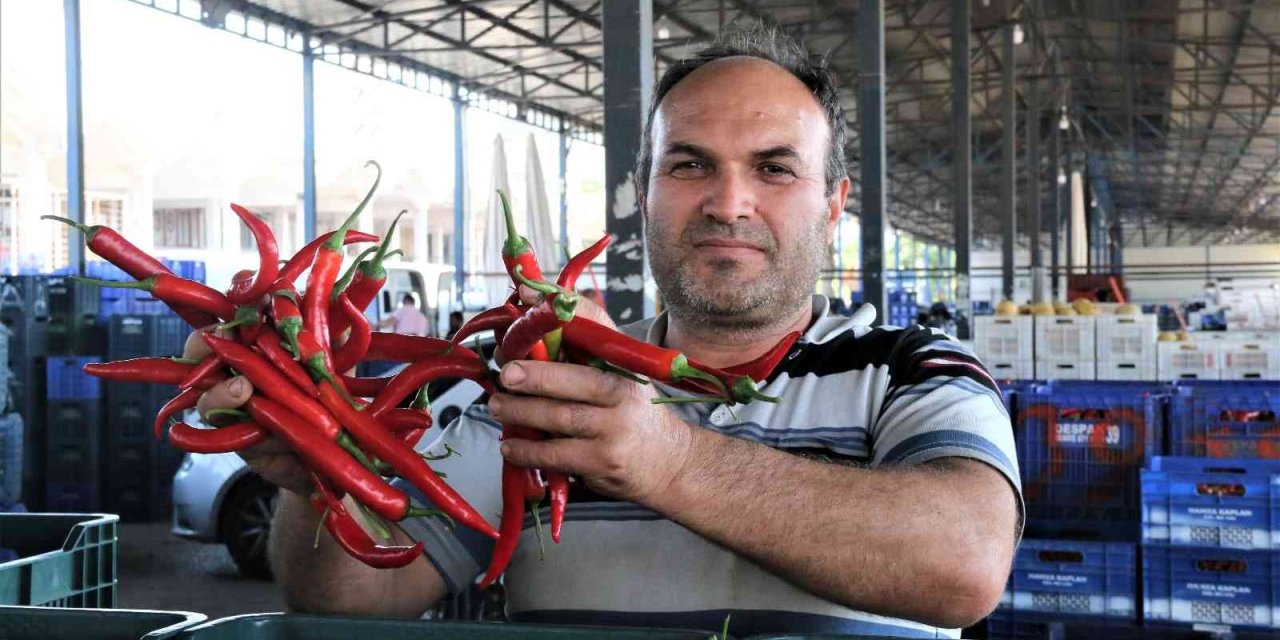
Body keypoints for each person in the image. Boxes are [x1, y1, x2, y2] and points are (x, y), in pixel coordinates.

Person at [187, 28, 1020, 637]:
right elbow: (345, 601)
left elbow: (966, 565)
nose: (729, 203)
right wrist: (317, 480)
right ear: (642, 190)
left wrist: (667, 458)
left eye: (773, 167)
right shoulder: (531, 384)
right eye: (689, 164)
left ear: (833, 204)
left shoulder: (915, 374)